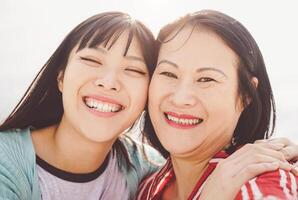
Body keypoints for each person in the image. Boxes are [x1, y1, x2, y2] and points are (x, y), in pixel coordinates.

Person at [0, 11, 163, 200]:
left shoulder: (150, 170)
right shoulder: (7, 164)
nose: (109, 82)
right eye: (92, 60)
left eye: (133, 69)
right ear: (61, 77)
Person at [137, 10, 298, 199]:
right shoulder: (144, 187)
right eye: (168, 74)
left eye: (206, 79)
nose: (181, 98)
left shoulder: (260, 182)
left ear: (246, 95)